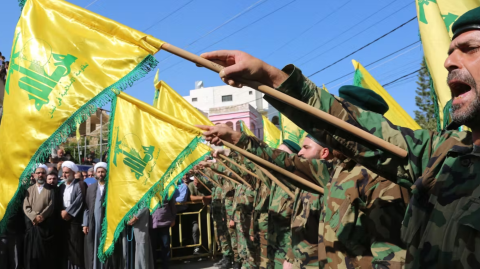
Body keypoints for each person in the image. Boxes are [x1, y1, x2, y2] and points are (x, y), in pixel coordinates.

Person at [23, 164, 55, 268]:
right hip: (32, 226)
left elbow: (51, 205)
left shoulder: (51, 190)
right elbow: (26, 206)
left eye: (42, 173)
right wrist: (34, 217)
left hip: (44, 227)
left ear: (46, 174)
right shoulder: (29, 189)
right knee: (31, 256)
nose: (40, 175)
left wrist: (41, 217)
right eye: (38, 173)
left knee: (43, 256)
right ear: (34, 175)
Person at [60, 161, 86, 269]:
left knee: (75, 246)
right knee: (65, 245)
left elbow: (79, 200)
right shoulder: (61, 186)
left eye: (67, 172)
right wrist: (62, 212)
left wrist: (68, 212)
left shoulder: (80, 184)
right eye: (64, 172)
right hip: (63, 218)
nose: (65, 175)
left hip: (74, 218)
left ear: (73, 173)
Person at [83, 162, 108, 269]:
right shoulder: (91, 188)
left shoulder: (111, 187)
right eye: (99, 172)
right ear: (95, 173)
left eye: (103, 172)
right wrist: (85, 224)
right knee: (93, 246)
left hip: (107, 224)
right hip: (93, 223)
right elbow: (86, 207)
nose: (101, 174)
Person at [150, 188, 179, 269]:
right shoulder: (149, 192)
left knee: (165, 246)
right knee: (153, 247)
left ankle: (165, 266)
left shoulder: (167, 191)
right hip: (152, 224)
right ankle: (154, 266)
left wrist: (173, 218)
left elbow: (172, 205)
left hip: (164, 224)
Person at [188, 175, 211, 255]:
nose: (196, 185)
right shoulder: (191, 185)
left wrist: (206, 197)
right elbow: (191, 197)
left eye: (198, 183)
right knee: (196, 229)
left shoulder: (207, 185)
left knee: (205, 230)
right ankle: (196, 247)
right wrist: (202, 198)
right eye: (195, 183)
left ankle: (206, 248)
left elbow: (213, 195)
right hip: (195, 212)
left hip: (205, 212)